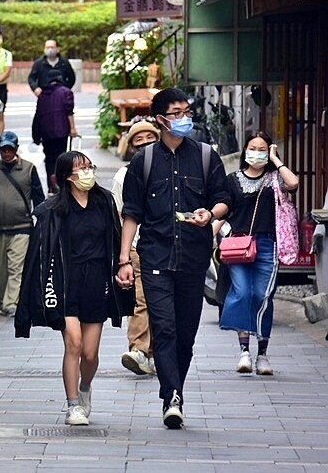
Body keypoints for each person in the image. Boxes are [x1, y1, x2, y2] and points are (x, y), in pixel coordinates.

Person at [117, 87, 230, 429]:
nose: (184, 119)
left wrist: (209, 214)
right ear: (160, 118)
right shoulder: (144, 161)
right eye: (176, 113)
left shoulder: (207, 156)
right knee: (163, 328)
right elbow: (132, 213)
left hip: (194, 260)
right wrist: (123, 258)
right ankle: (172, 397)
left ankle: (174, 387)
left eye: (187, 112)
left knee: (185, 334)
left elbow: (224, 199)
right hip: (154, 257)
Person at [15, 151, 134, 426]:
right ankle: (72, 407)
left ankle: (84, 388)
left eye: (89, 167)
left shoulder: (103, 201)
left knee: (90, 354)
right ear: (67, 175)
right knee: (74, 344)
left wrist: (121, 267)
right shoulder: (52, 210)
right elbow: (39, 254)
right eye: (81, 168)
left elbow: (116, 238)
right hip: (65, 284)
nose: (87, 172)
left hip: (96, 283)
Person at [213, 132, 299, 376]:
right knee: (243, 292)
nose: (257, 153)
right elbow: (224, 211)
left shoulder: (274, 179)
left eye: (263, 149)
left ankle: (262, 354)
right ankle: (244, 352)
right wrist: (208, 232)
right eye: (253, 148)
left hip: (267, 244)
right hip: (236, 246)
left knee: (262, 296)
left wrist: (275, 159)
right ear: (245, 150)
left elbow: (293, 184)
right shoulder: (232, 180)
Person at [0, 131, 44, 317]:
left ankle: (12, 303)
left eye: (9, 149)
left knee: (16, 268)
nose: (6, 153)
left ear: (16, 149)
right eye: (3, 149)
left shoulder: (28, 169)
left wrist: (42, 220)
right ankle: (4, 303)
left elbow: (38, 196)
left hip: (21, 228)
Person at [111, 121, 160, 376]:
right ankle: (139, 349)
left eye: (149, 139)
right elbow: (119, 214)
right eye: (138, 141)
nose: (144, 144)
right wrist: (123, 254)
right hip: (136, 246)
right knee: (140, 300)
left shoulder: (169, 172)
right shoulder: (124, 175)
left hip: (166, 247)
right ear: (131, 146)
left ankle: (154, 353)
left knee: (161, 302)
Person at [31, 70, 76, 192]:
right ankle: (60, 185)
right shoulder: (66, 92)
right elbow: (69, 111)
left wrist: (36, 135)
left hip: (46, 133)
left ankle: (51, 186)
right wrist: (72, 128)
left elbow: (38, 115)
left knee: (49, 158)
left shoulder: (42, 95)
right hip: (61, 132)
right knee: (61, 157)